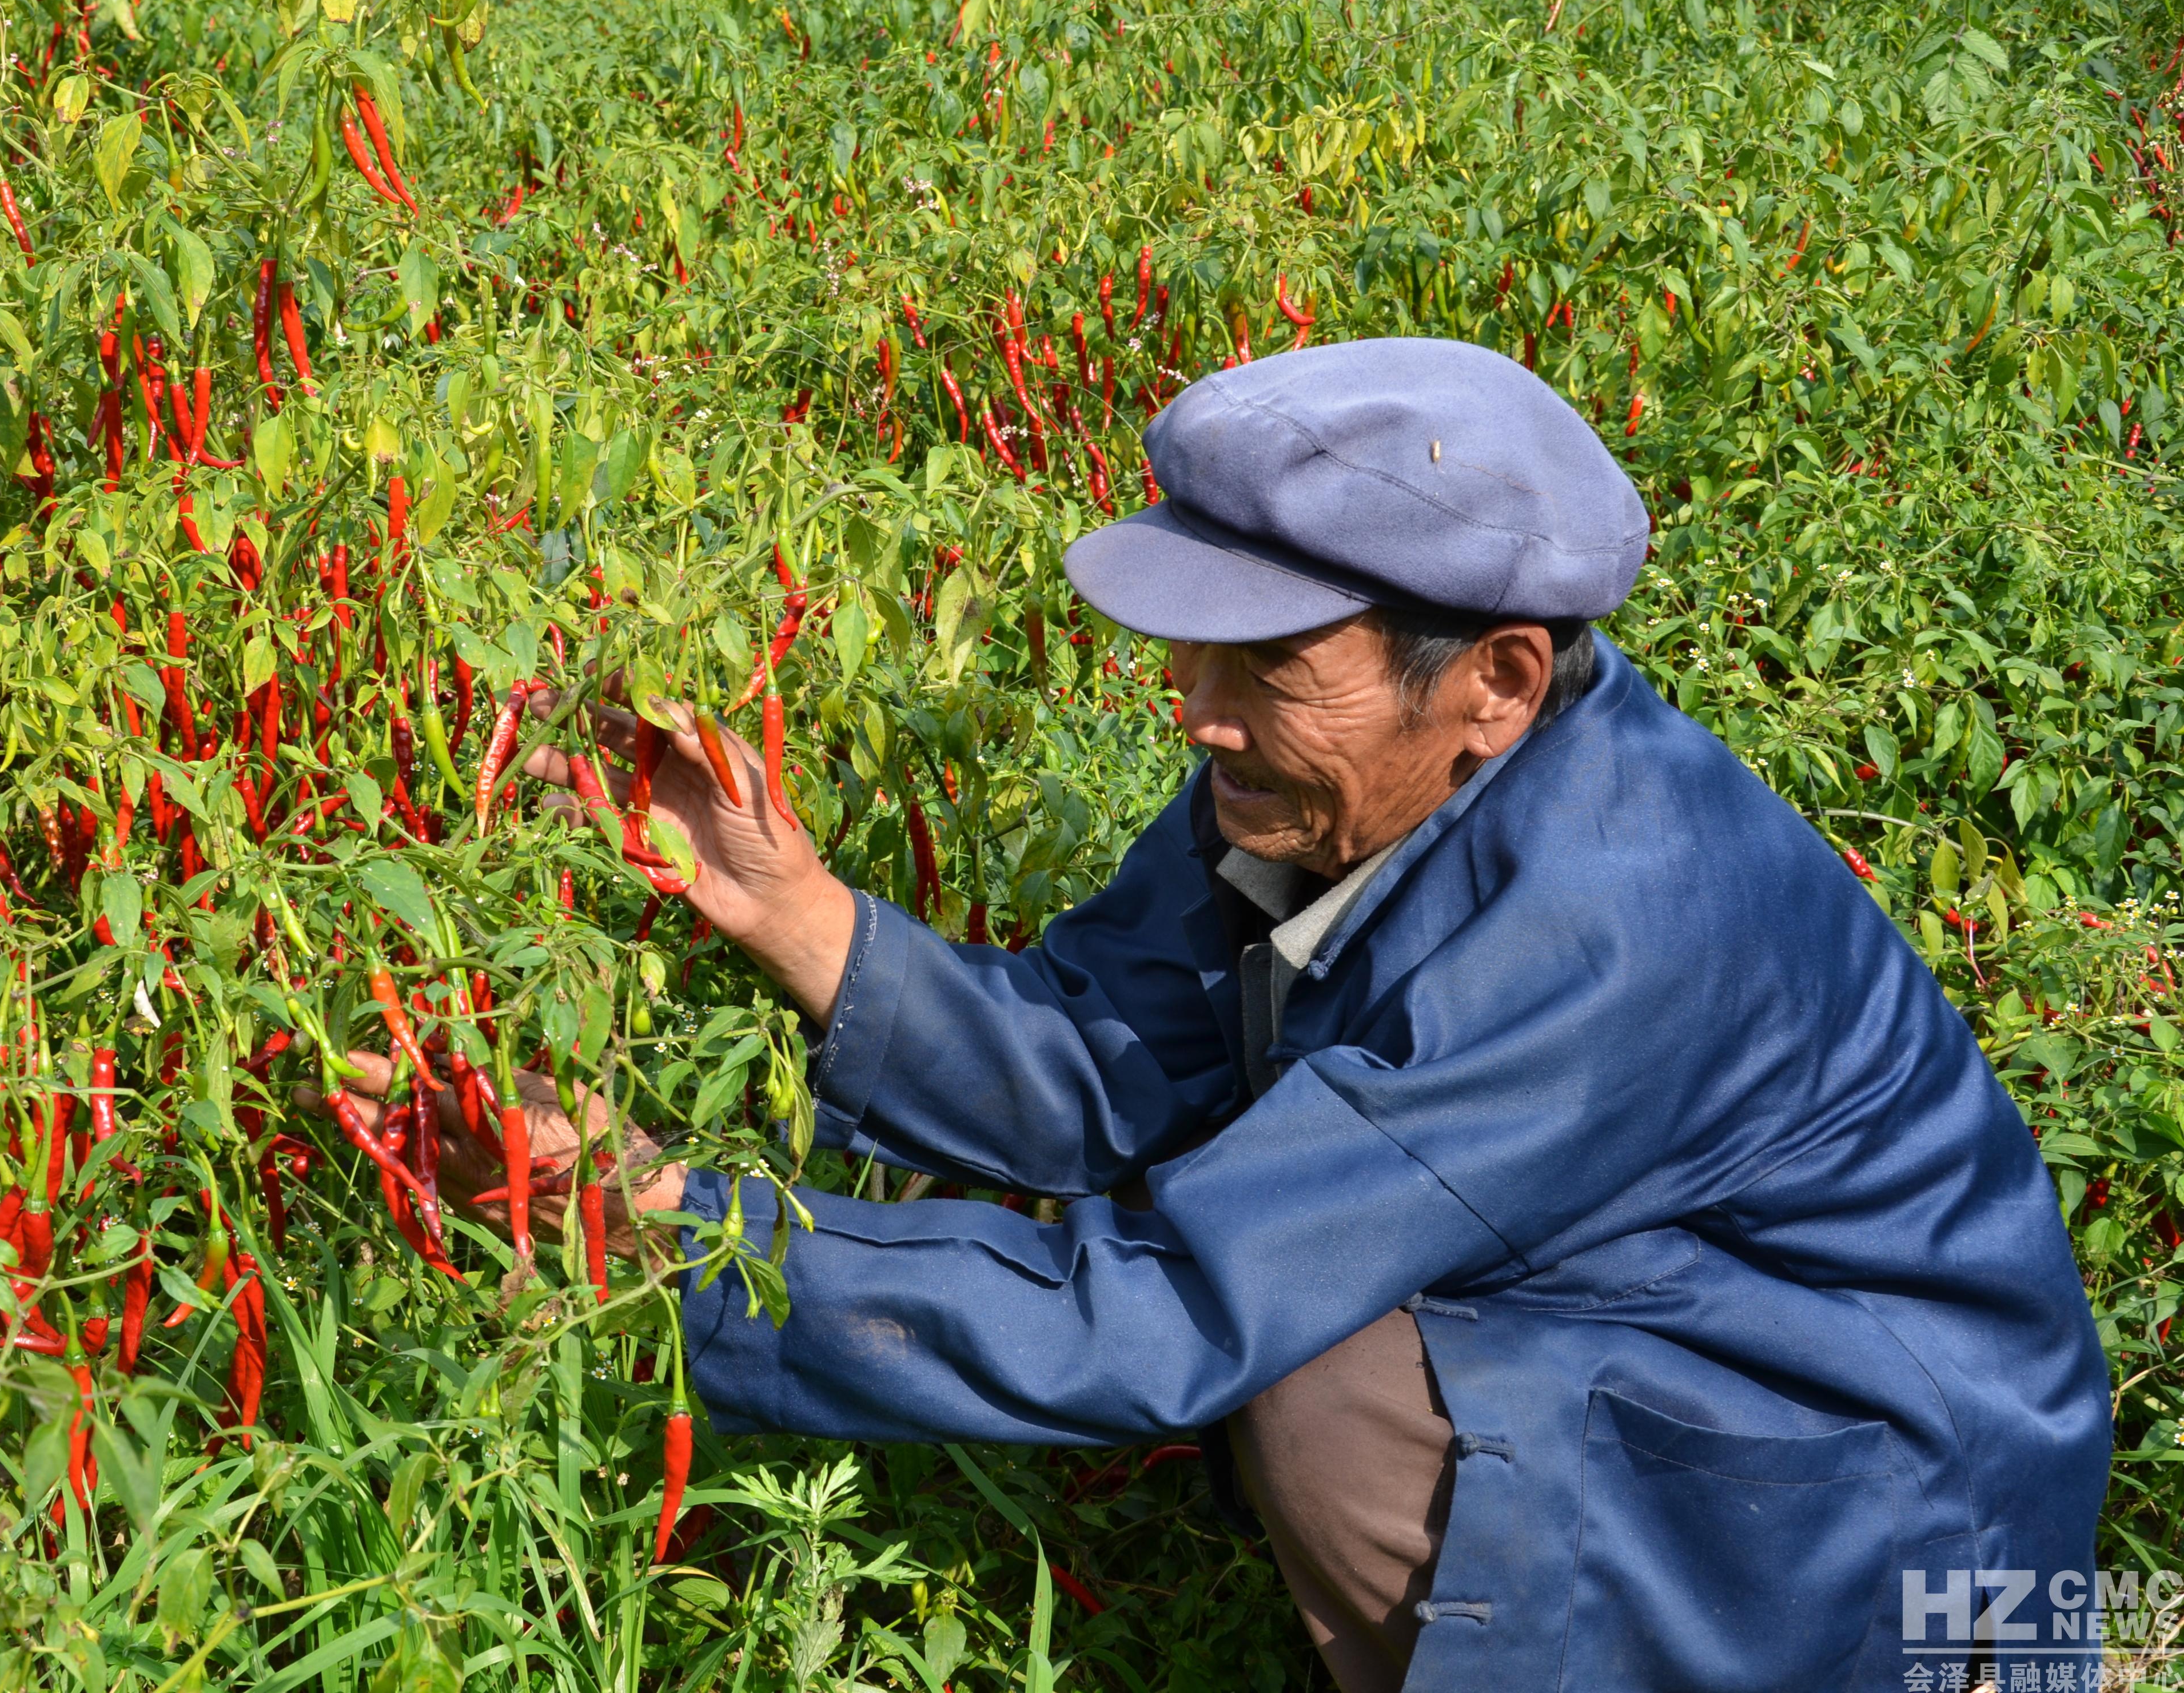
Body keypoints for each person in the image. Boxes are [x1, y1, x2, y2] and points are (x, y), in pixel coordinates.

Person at [377, 338, 2110, 1691]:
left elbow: (1163, 1307)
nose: (1197, 713)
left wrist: (666, 1229)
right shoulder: (1326, 786)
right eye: (1193, 654)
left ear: (1497, 680)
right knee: (1313, 1324)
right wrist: (790, 906)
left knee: (1320, 1383)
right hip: (1659, 1312)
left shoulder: (1609, 929)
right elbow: (1093, 1061)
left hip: (1881, 1484)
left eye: (1265, 667)